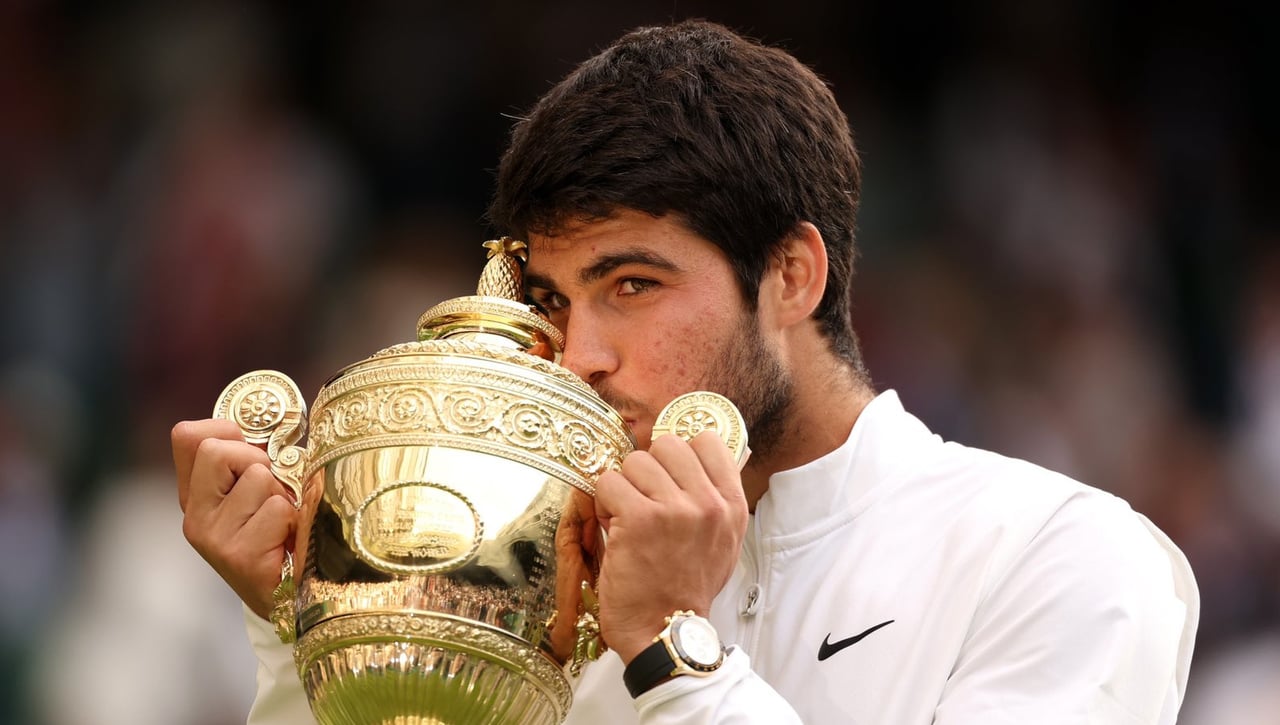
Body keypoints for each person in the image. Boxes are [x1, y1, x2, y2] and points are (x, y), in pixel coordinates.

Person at [172, 19, 1199, 723]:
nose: (578, 355)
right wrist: (309, 624)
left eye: (631, 283)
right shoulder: (540, 580)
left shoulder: (1062, 552)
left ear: (791, 275)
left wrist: (669, 651)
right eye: (555, 300)